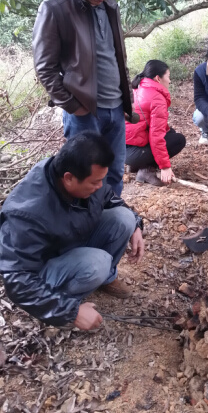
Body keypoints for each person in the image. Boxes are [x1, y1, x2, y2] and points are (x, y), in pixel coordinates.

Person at [0, 132, 145, 331]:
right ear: (68, 178)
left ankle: (103, 279)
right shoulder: (26, 213)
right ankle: (66, 308)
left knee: (124, 218)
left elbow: (109, 197)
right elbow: (17, 280)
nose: (100, 186)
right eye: (95, 182)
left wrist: (136, 225)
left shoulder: (80, 172)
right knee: (98, 262)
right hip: (42, 271)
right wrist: (70, 311)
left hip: (69, 242)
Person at [33, 0, 138, 196]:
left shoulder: (110, 7)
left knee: (113, 172)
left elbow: (116, 55)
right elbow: (44, 68)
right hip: (84, 112)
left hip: (115, 108)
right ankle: (84, 226)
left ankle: (111, 221)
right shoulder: (55, 9)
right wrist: (73, 106)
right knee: (84, 178)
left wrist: (126, 97)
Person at [125, 60, 186, 186]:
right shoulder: (156, 98)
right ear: (158, 78)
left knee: (171, 133)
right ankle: (146, 170)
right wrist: (165, 166)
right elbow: (156, 137)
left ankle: (136, 165)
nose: (169, 81)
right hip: (132, 153)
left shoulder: (139, 86)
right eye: (168, 77)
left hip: (123, 148)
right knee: (178, 140)